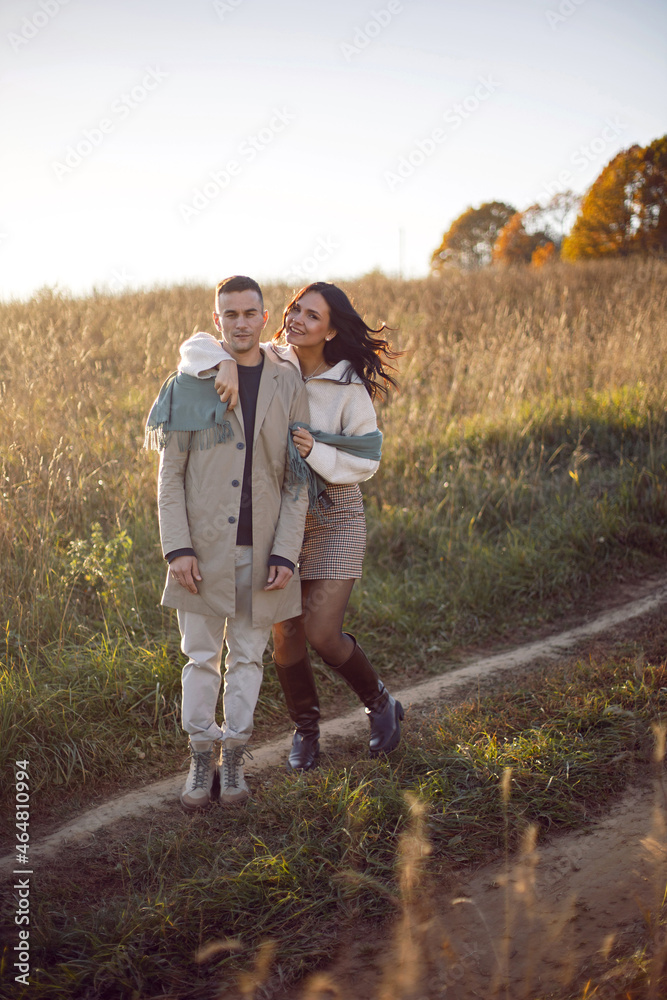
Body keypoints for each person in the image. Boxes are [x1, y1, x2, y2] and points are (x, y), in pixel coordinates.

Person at [178, 281, 403, 772]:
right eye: (295, 309)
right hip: (278, 517)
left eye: (312, 316)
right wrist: (226, 363)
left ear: (332, 329)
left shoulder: (347, 387)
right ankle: (306, 730)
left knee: (322, 632)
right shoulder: (270, 358)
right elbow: (194, 345)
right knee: (284, 634)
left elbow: (366, 460)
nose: (297, 320)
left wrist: (313, 451)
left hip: (335, 516)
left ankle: (381, 702)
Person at [145, 275, 309, 810]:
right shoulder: (192, 381)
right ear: (217, 322)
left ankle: (234, 757)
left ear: (265, 318)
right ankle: (200, 758)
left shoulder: (287, 378)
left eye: (249, 313)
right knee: (199, 658)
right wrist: (178, 548)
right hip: (201, 551)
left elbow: (295, 477)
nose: (240, 322)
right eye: (229, 315)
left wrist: (286, 550)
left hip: (262, 551)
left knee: (248, 658)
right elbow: (170, 478)